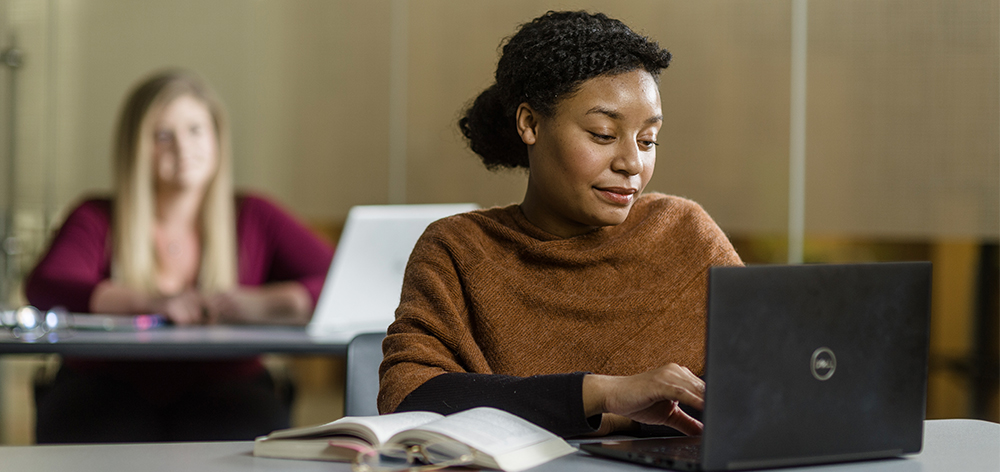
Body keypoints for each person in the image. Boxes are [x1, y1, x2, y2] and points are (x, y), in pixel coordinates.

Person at [378, 11, 743, 438]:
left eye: (648, 140)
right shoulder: (459, 250)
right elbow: (409, 396)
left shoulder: (684, 233)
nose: (632, 164)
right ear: (530, 124)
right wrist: (601, 395)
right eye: (604, 134)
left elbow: (766, 377)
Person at [25, 70, 334, 443]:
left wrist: (265, 303)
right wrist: (150, 302)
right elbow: (46, 287)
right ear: (135, 146)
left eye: (195, 130)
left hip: (230, 387)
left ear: (218, 137)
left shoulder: (255, 215)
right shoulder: (96, 217)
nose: (183, 147)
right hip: (101, 386)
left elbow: (341, 280)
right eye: (162, 135)